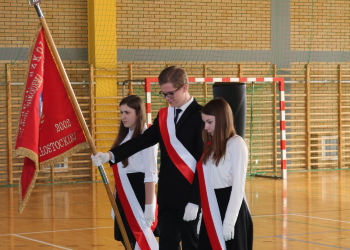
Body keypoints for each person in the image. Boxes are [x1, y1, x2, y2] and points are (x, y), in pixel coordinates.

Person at [92, 66, 203, 250]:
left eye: (171, 93)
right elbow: (141, 141)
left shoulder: (201, 116)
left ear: (185, 87)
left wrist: (196, 200)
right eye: (164, 94)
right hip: (167, 197)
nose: (167, 98)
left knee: (192, 244)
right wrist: (110, 155)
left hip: (189, 196)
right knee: (167, 244)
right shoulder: (164, 116)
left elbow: (203, 162)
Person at [91, 95, 159, 250]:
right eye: (121, 112)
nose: (123, 116)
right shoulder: (125, 136)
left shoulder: (146, 136)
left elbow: (150, 174)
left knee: (139, 241)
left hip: (138, 193)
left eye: (127, 112)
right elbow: (120, 172)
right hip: (124, 194)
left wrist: (149, 206)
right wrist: (115, 199)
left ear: (138, 113)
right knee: (126, 239)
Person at [197, 98, 253, 250]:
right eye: (204, 122)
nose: (206, 127)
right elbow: (207, 183)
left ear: (222, 119)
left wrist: (229, 222)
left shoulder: (236, 144)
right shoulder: (210, 146)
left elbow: (238, 186)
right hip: (211, 205)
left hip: (230, 206)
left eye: (209, 122)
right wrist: (202, 214)